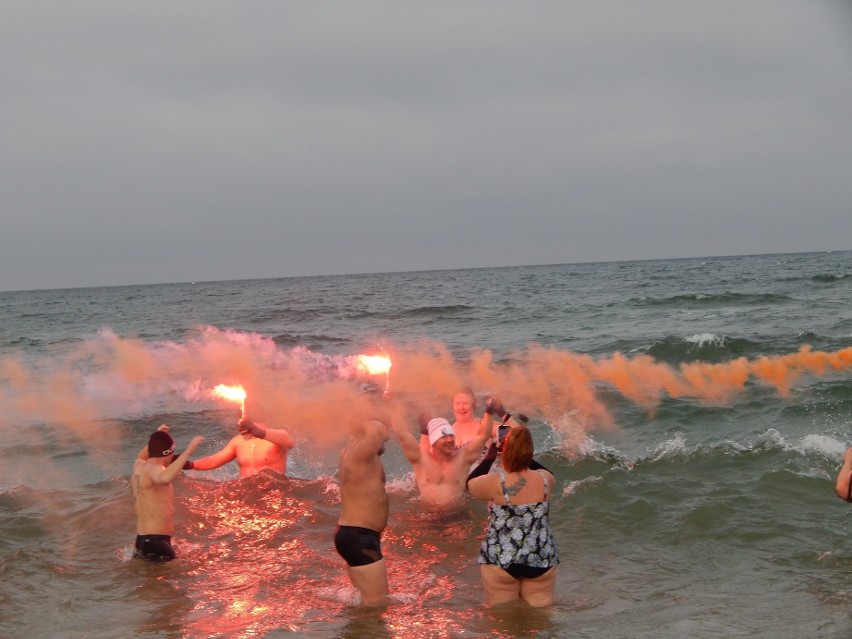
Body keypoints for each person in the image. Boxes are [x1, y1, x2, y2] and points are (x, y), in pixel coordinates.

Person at [467, 424, 558, 607]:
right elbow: (543, 469)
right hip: (540, 555)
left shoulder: (496, 483)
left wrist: (491, 455)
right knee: (542, 617)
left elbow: (470, 484)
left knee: (503, 619)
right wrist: (522, 454)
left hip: (502, 556)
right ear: (530, 451)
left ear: (505, 451)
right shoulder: (546, 479)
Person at [334, 415, 392, 606]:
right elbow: (374, 435)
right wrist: (375, 421)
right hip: (359, 538)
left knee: (364, 604)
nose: (388, 437)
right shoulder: (360, 453)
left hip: (354, 535)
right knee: (377, 605)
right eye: (386, 432)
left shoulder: (355, 450)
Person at [394, 409, 492, 512]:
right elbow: (403, 435)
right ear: (434, 441)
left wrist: (489, 411)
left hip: (458, 516)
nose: (450, 440)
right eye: (444, 436)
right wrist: (392, 406)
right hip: (428, 517)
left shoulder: (463, 457)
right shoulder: (421, 458)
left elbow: (483, 435)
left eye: (451, 435)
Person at [132, 425, 204, 561]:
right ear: (168, 453)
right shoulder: (156, 469)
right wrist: (188, 452)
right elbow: (165, 478)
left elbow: (145, 453)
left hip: (142, 540)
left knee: (151, 581)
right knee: (169, 580)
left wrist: (158, 434)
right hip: (156, 542)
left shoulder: (138, 465)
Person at [187, 414, 295, 478]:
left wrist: (258, 432)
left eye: (242, 422)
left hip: (274, 491)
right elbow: (214, 460)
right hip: (247, 492)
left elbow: (289, 442)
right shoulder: (238, 441)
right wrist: (188, 464)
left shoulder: (275, 436)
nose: (239, 425)